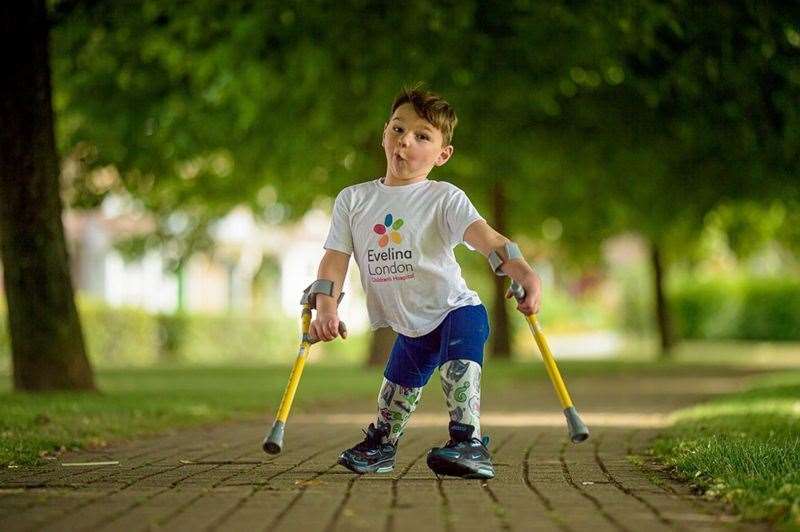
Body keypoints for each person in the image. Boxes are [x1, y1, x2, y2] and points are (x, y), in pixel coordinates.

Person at [307, 87, 541, 479]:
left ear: (442, 154)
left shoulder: (444, 198)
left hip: (456, 311)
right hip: (411, 324)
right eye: (398, 129)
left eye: (422, 136)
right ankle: (381, 446)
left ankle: (468, 441)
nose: (405, 141)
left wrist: (525, 274)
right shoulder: (353, 200)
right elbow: (334, 260)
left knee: (457, 369)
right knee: (396, 391)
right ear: (385, 133)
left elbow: (488, 240)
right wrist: (326, 307)